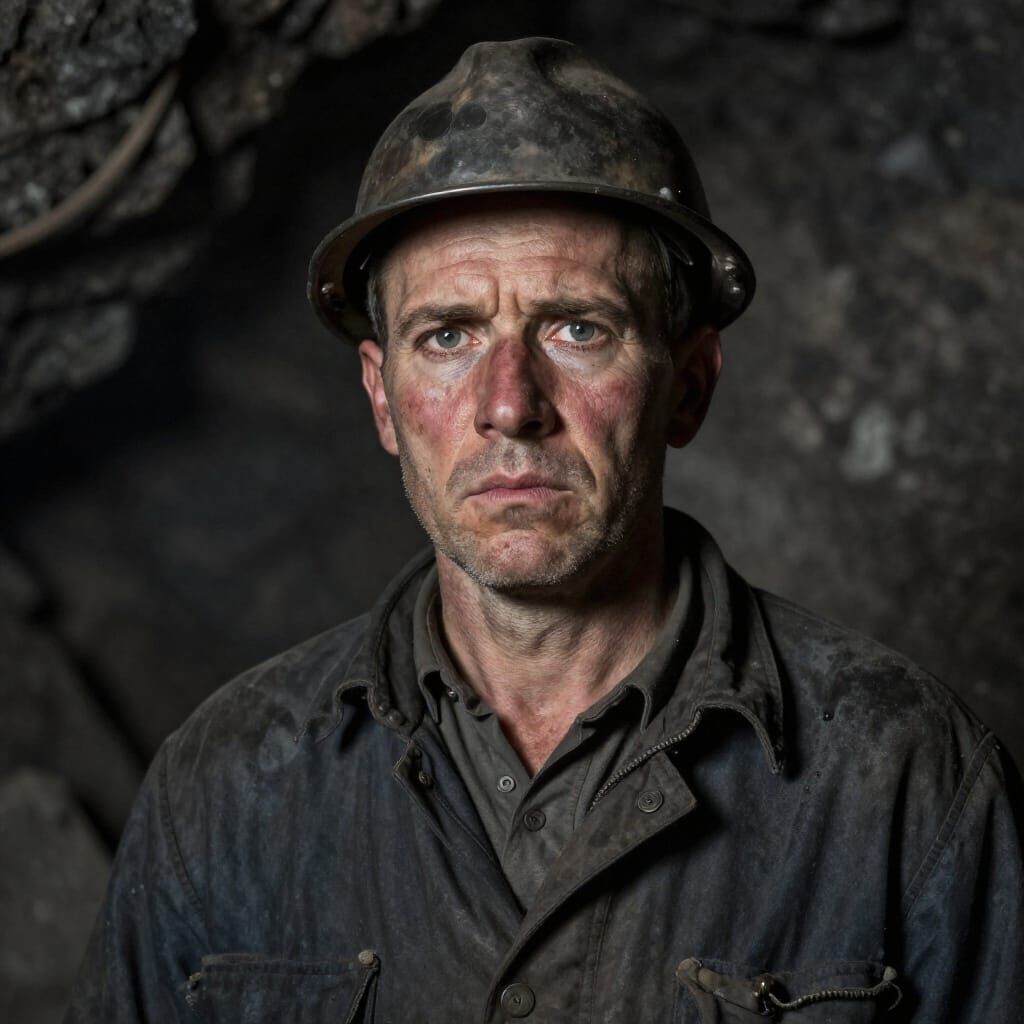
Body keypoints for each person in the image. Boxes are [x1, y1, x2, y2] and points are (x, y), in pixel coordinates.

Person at [67, 38, 1022, 1024]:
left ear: (685, 386)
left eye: (578, 329)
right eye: (448, 336)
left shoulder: (903, 780)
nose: (509, 405)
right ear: (383, 400)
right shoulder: (222, 787)